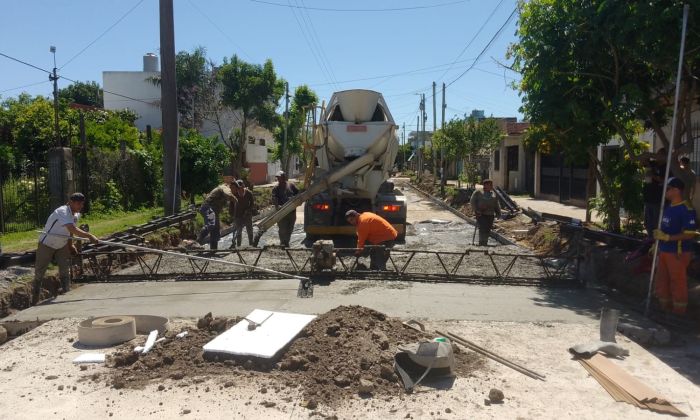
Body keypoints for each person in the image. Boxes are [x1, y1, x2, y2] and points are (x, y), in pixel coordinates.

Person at [34, 192, 98, 303]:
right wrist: (89, 236)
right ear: (71, 202)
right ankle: (35, 299)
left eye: (82, 204)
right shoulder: (62, 211)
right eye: (78, 203)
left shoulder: (76, 215)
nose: (80, 206)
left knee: (65, 269)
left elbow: (70, 232)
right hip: (47, 243)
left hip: (62, 244)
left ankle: (66, 293)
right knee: (40, 270)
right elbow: (72, 229)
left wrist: (70, 245)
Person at [653, 177, 697, 316]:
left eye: (668, 189)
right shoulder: (667, 208)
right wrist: (657, 242)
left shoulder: (686, 210)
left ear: (676, 190)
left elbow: (689, 234)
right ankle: (664, 309)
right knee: (662, 282)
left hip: (678, 253)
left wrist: (668, 238)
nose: (665, 191)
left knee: (677, 283)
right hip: (664, 251)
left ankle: (678, 313)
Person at [197, 176, 236, 250]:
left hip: (214, 211)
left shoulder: (228, 190)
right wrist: (234, 198)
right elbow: (228, 194)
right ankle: (197, 241)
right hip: (208, 207)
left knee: (216, 230)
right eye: (235, 188)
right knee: (211, 224)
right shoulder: (225, 187)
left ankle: (213, 249)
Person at [469, 179, 501, 246]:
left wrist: (498, 212)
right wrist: (476, 210)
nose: (491, 186)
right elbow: (472, 202)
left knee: (488, 229)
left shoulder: (493, 194)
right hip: (481, 214)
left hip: (490, 214)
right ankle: (481, 242)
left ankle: (485, 242)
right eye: (490, 185)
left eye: (491, 185)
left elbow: (496, 204)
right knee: (483, 228)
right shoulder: (478, 192)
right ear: (485, 185)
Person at [271, 171, 299, 247]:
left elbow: (298, 194)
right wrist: (277, 205)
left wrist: (295, 200)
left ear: (284, 177)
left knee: (290, 229)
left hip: (291, 212)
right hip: (282, 213)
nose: (279, 179)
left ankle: (286, 243)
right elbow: (274, 198)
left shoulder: (291, 185)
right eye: (278, 178)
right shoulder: (276, 188)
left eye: (280, 177)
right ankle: (282, 243)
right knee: (282, 229)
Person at [229, 179, 255, 248]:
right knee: (238, 232)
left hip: (247, 215)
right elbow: (231, 205)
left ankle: (251, 245)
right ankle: (238, 246)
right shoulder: (234, 194)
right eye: (238, 187)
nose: (240, 188)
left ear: (243, 186)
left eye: (241, 186)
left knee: (249, 230)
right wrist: (231, 214)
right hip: (238, 215)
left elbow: (252, 204)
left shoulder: (249, 193)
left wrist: (248, 210)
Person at [642, 160, 664, 238]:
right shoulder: (650, 165)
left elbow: (663, 181)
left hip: (657, 199)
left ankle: (656, 240)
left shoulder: (663, 167)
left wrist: (653, 176)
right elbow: (643, 162)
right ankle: (650, 238)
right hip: (648, 198)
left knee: (656, 222)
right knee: (647, 222)